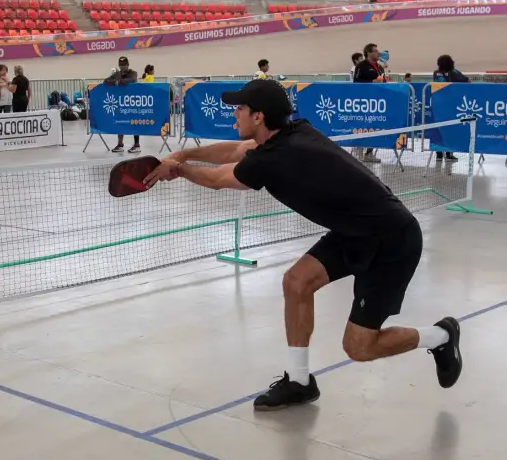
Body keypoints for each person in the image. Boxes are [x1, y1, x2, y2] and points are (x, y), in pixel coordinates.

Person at [143, 79, 462, 411]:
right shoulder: (288, 133)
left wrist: (178, 170)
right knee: (296, 282)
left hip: (392, 240)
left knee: (359, 347)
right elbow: (235, 151)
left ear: (258, 117)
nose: (234, 113)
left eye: (239, 108)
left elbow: (217, 178)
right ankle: (299, 382)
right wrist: (183, 154)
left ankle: (441, 336)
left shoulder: (280, 155)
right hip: (353, 231)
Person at [352, 43, 386, 163]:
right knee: (362, 126)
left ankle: (369, 153)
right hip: (364, 102)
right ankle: (358, 151)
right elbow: (356, 82)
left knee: (375, 127)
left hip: (377, 102)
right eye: (376, 51)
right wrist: (371, 81)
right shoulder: (361, 66)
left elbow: (384, 81)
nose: (378, 53)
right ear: (368, 53)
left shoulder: (380, 67)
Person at [432, 55, 471, 162]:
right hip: (450, 105)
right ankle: (449, 154)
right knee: (449, 129)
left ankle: (439, 155)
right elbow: (467, 80)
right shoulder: (454, 73)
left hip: (437, 105)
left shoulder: (435, 73)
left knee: (438, 129)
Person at [106, 56, 140, 153]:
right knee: (120, 122)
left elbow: (132, 80)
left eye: (124, 65)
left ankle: (137, 145)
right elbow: (106, 81)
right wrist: (115, 82)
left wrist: (120, 82)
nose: (122, 67)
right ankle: (120, 144)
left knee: (134, 123)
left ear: (128, 65)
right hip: (120, 102)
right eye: (120, 65)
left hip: (132, 102)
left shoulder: (133, 73)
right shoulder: (117, 74)